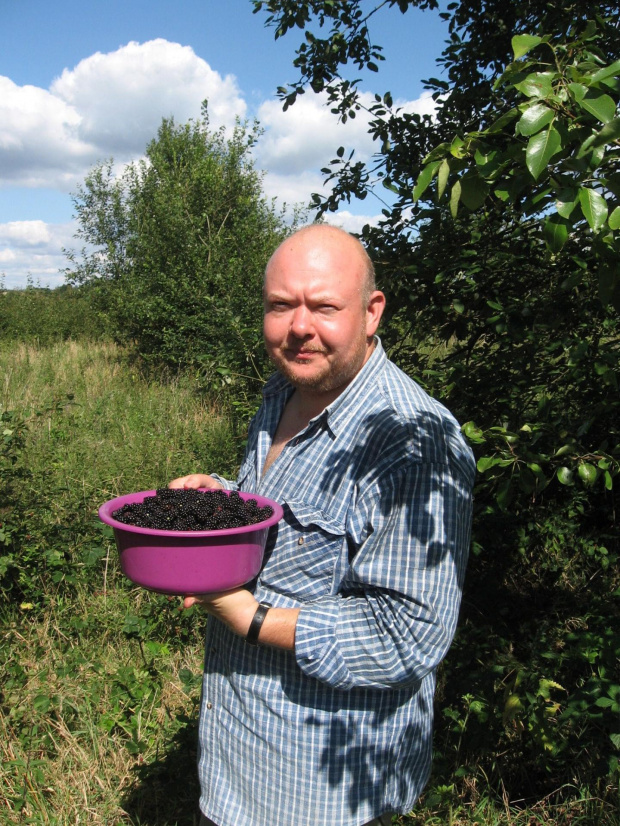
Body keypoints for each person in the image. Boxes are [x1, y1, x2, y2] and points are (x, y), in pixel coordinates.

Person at [169, 224, 475, 826]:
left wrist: (252, 618)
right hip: (237, 754)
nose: (299, 327)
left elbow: (407, 635)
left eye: (324, 306)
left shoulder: (414, 443)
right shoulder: (284, 387)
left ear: (371, 312)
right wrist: (226, 500)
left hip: (325, 790)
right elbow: (285, 514)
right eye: (281, 305)